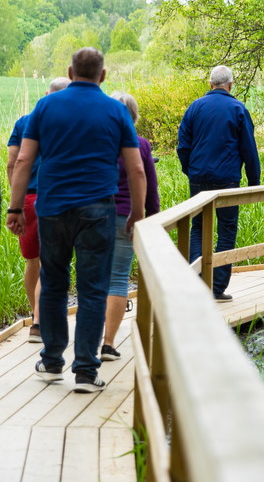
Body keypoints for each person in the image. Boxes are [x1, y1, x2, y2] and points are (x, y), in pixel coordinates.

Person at [6, 48, 145, 393]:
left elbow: (23, 160)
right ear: (103, 75)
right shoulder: (116, 111)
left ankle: (52, 361)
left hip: (52, 208)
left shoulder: (45, 107)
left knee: (53, 283)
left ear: (70, 72)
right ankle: (85, 370)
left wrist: (15, 208)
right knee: (93, 288)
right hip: (98, 209)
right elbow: (136, 167)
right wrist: (137, 212)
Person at [178, 65, 261, 302]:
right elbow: (249, 147)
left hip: (199, 178)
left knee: (198, 227)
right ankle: (216, 288)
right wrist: (253, 180)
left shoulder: (194, 107)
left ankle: (197, 282)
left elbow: (183, 145)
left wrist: (191, 170)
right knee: (226, 229)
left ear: (210, 83)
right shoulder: (237, 108)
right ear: (230, 85)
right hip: (227, 179)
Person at [6, 76, 70, 343]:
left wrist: (15, 203)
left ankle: (36, 316)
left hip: (27, 201)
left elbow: (12, 163)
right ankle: (39, 321)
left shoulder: (23, 122)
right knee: (50, 262)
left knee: (32, 260)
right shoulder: (68, 123)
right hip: (55, 199)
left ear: (46, 93)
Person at [101, 92, 161, 362]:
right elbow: (149, 186)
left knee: (95, 277)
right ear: (134, 116)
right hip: (127, 216)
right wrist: (153, 217)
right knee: (117, 278)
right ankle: (108, 343)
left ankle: (87, 342)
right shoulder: (141, 144)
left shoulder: (95, 143)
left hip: (94, 216)